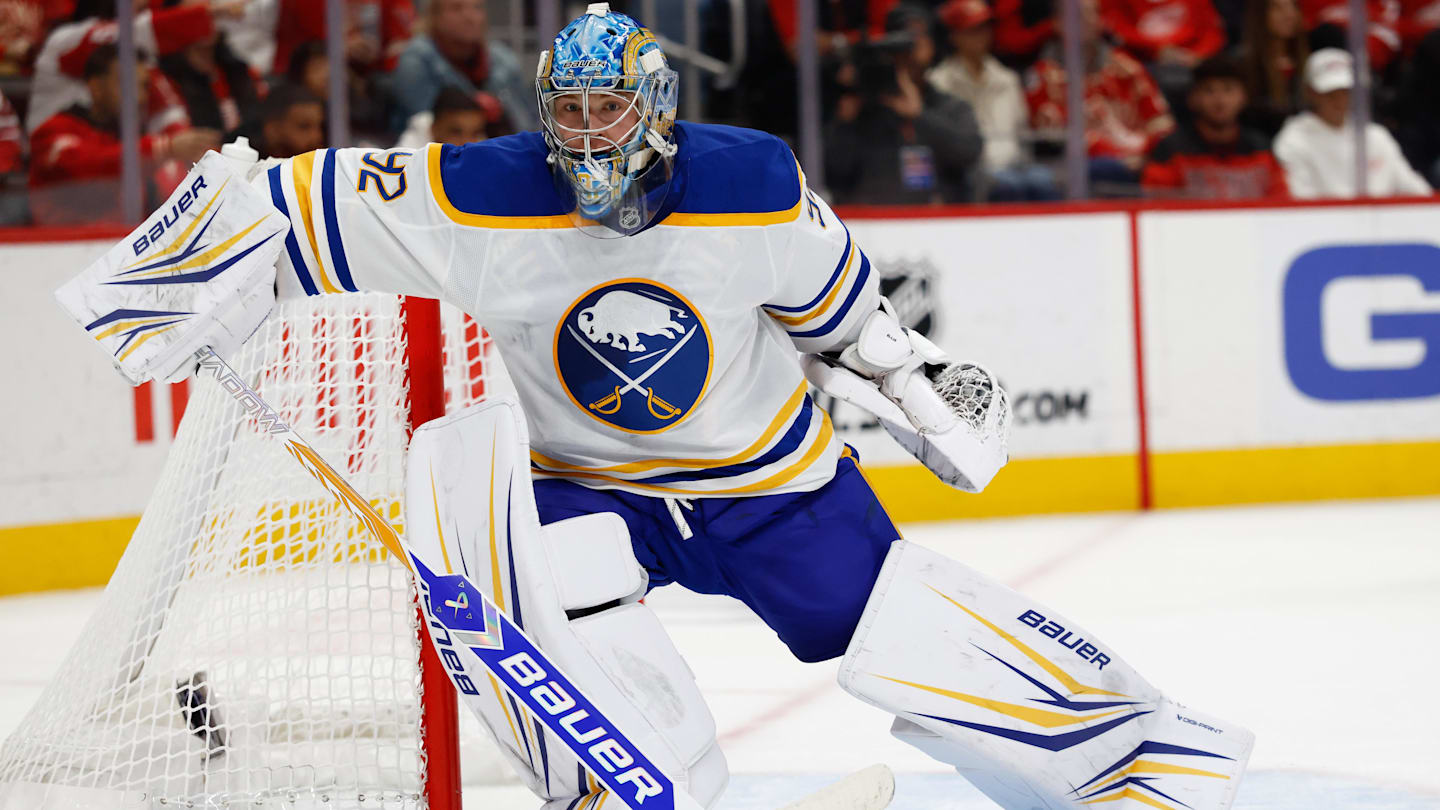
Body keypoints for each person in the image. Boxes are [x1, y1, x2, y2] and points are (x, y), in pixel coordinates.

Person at [105, 5, 1253, 808]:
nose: (585, 136)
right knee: (553, 588)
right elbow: (288, 196)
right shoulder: (482, 195)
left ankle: (1122, 756)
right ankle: (628, 789)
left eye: (609, 111)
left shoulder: (750, 181)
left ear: (655, 107)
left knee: (895, 629)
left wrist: (915, 385)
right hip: (588, 483)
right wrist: (158, 283)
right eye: (570, 111)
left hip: (767, 482)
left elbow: (844, 314)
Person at [28, 42, 218, 224]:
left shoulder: (133, 138)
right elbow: (85, 166)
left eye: (143, 86)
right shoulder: (54, 130)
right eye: (126, 84)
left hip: (124, 247)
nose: (139, 97)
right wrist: (164, 148)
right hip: (60, 248)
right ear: (96, 87)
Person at [825, 4, 983, 204]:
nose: (910, 51)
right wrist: (845, 123)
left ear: (932, 46)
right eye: (902, 42)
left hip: (939, 223)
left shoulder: (949, 106)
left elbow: (969, 153)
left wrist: (920, 116)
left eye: (918, 40)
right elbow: (833, 173)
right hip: (871, 223)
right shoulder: (862, 107)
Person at [1025, 0, 1176, 192]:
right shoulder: (1044, 77)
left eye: (1093, 13)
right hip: (1085, 168)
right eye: (1078, 15)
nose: (1087, 20)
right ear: (1057, 23)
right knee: (1105, 169)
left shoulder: (1128, 68)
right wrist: (1120, 156)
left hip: (1142, 161)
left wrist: (1147, 155)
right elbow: (1056, 134)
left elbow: (1160, 121)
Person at [928, 0, 1057, 201]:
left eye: (985, 28)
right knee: (1008, 185)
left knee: (1044, 179)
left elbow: (1022, 133)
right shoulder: (939, 82)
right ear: (955, 36)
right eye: (973, 30)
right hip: (970, 171)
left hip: (1014, 167)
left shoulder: (1007, 79)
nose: (982, 36)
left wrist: (1023, 162)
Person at [1273, 48, 1431, 197]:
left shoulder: (1375, 136)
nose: (1340, 100)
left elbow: (1415, 189)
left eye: (1346, 91)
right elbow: (1301, 203)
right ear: (1311, 93)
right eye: (1330, 93)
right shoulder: (1293, 141)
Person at [1142, 55, 1288, 198]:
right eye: (1209, 91)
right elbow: (1156, 206)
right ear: (1193, 99)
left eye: (1228, 90)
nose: (1220, 101)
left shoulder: (1261, 148)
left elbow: (1281, 202)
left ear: (1244, 97)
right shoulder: (1171, 149)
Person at [388, 0, 532, 134]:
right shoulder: (415, 59)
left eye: (477, 8)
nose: (469, 17)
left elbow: (528, 122)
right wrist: (475, 105)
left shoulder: (504, 59)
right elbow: (424, 122)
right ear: (435, 17)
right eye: (456, 8)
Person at [159, 31, 264, 137]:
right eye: (199, 50)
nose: (206, 57)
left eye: (210, 50)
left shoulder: (239, 71)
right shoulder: (169, 82)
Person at [1237, 0, 1309, 139]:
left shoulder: (1309, 62)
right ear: (1260, 15)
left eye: (1293, 6)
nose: (1289, 14)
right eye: (1277, 8)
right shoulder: (1243, 64)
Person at [393, 85, 505, 149]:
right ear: (433, 128)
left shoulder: (481, 147)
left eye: (475, 133)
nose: (467, 142)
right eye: (456, 132)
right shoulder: (403, 162)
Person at [239, 82, 323, 159]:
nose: (317, 137)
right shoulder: (243, 166)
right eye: (304, 126)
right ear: (272, 129)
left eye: (320, 126)